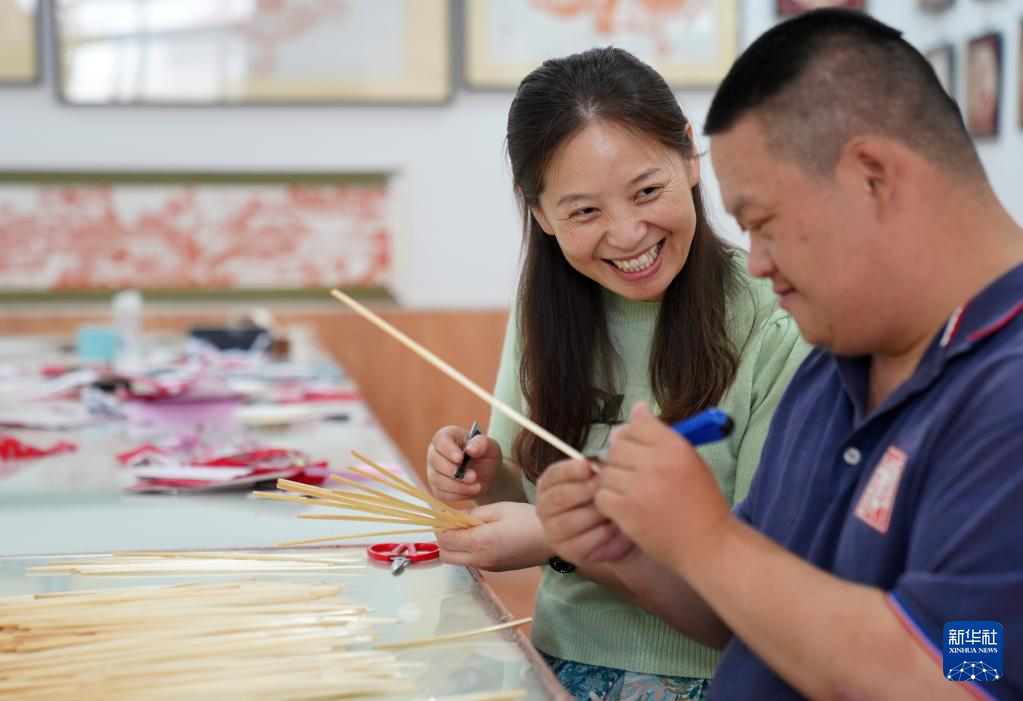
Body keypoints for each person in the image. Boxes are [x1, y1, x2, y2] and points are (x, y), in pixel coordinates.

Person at [536, 10, 1023, 700]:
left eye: (763, 223)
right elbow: (749, 618)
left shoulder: (1005, 392)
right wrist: (628, 551)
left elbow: (961, 674)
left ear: (872, 177)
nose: (757, 262)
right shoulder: (833, 364)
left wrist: (706, 539)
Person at [425, 47, 809, 700]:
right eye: (584, 211)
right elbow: (524, 505)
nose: (628, 234)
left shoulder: (777, 321)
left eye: (647, 191)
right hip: (554, 660)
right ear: (540, 213)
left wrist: (560, 536)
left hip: (713, 678)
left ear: (689, 155)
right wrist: (486, 479)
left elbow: (761, 591)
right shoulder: (545, 312)